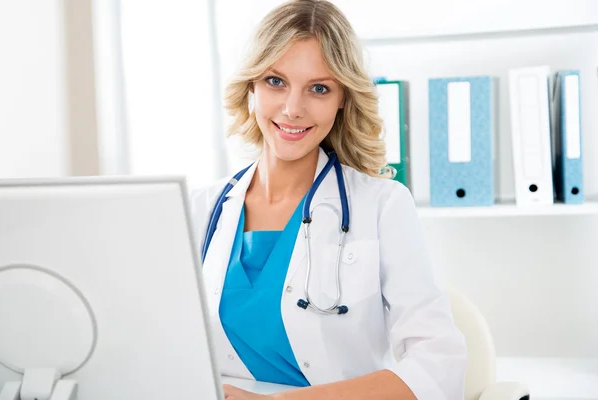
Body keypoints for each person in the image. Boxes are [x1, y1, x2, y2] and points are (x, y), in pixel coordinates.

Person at [191, 0, 467, 398]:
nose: (292, 108)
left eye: (318, 88)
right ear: (251, 85)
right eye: (275, 81)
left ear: (342, 98)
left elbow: (438, 364)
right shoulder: (199, 209)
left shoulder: (382, 206)